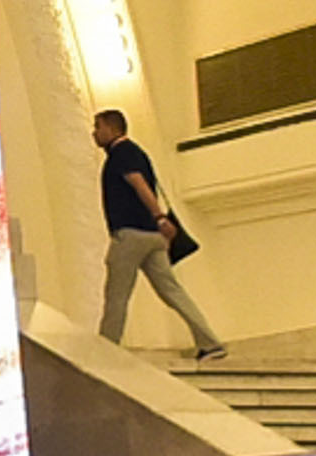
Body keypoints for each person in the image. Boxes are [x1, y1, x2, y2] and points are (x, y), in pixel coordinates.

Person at [90, 107, 220, 357]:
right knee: (172, 291)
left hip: (131, 235)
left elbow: (139, 185)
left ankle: (106, 351)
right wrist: (158, 223)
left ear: (112, 128)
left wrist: (160, 217)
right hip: (153, 237)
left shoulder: (121, 153)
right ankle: (210, 342)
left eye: (98, 127)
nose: (94, 133)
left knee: (116, 295)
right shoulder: (138, 152)